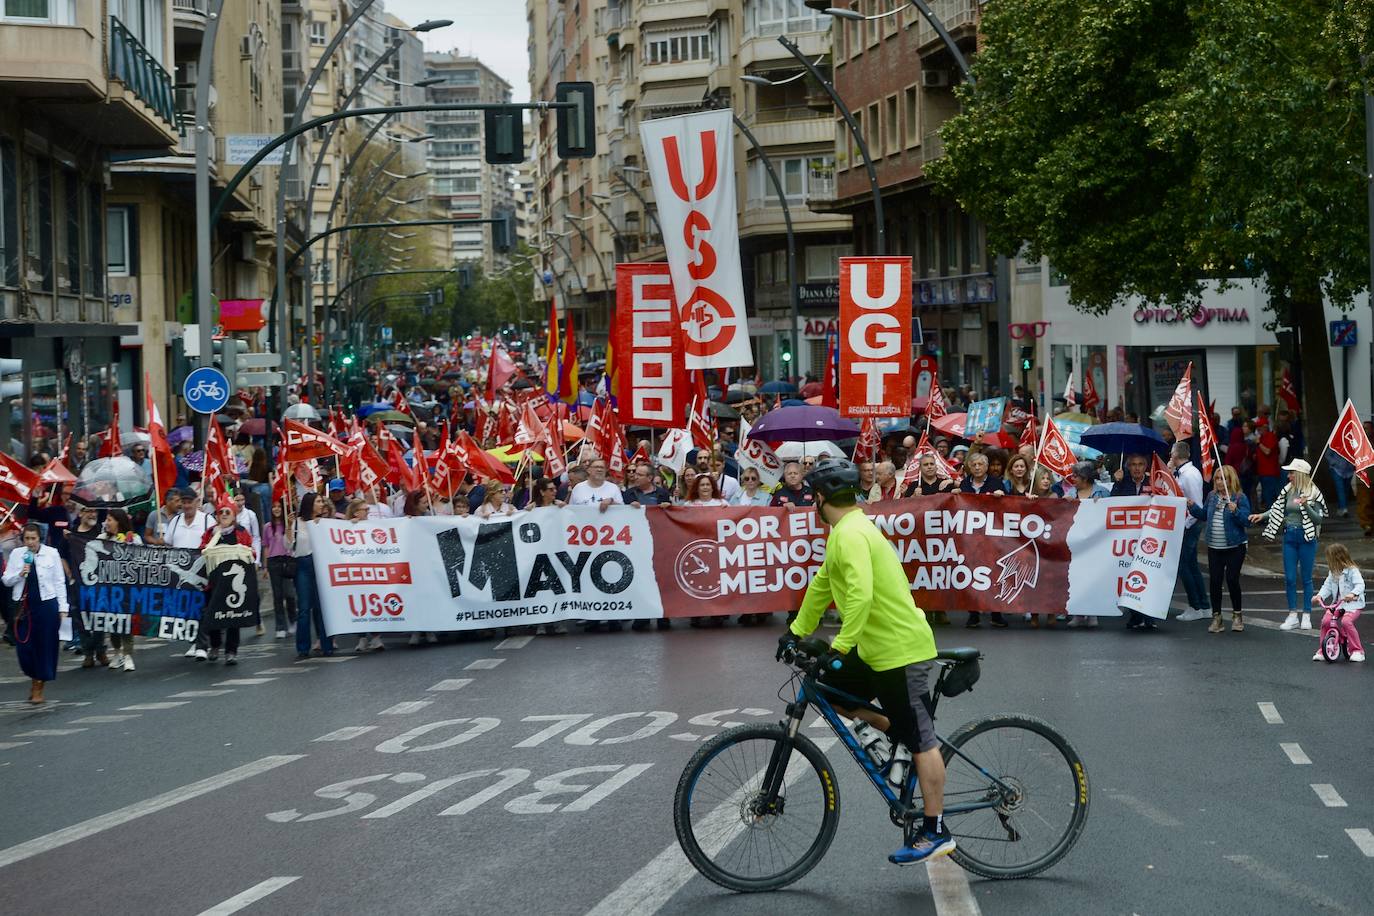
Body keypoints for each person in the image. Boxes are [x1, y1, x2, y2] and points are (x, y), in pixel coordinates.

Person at [776, 458, 951, 865]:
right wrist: (796, 632)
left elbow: (861, 596)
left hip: (900, 651)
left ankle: (936, 830)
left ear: (818, 498)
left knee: (924, 742)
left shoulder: (852, 534)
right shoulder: (848, 530)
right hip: (875, 652)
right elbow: (822, 584)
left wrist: (839, 645)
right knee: (826, 692)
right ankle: (897, 736)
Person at [1251, 458, 1326, 631]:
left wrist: (1306, 505)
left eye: (1292, 472)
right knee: (1290, 578)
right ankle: (1293, 615)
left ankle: (1306, 615)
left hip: (1307, 538)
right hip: (1290, 536)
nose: (1288, 475)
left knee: (1306, 578)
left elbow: (1318, 519)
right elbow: (1277, 509)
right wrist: (1262, 516)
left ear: (1299, 474)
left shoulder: (1313, 492)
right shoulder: (1287, 490)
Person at [3, 524, 70, 703]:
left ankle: (38, 685)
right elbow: (6, 580)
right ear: (23, 539)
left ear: (39, 538)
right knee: (24, 648)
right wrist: (20, 573)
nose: (31, 542)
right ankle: (33, 675)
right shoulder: (18, 555)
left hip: (47, 604)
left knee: (44, 645)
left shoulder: (51, 553)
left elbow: (59, 581)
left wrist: (63, 608)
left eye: (34, 538)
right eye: (27, 539)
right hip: (23, 607)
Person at [1192, 465, 1251, 633]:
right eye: (1217, 478)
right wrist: (1192, 507)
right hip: (1214, 547)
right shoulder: (1211, 496)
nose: (1219, 482)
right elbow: (1204, 515)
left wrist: (1236, 511)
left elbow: (1247, 520)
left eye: (1223, 478)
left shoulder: (1239, 498)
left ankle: (1237, 615)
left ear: (1230, 480)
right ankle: (1217, 618)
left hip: (1235, 547)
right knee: (1215, 582)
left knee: (1232, 580)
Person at [199, 497, 255, 665]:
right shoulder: (210, 533)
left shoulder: (241, 532)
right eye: (220, 512)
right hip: (214, 583)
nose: (223, 515)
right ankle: (215, 645)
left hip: (233, 584)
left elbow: (250, 552)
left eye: (227, 512)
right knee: (213, 613)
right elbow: (202, 550)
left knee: (234, 617)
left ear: (234, 515)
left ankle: (231, 651)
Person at [1170, 442, 1213, 624]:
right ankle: (1203, 606)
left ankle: (1195, 606)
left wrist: (1186, 526)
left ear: (1176, 454)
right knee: (1192, 566)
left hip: (1190, 524)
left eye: (1171, 452)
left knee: (1185, 567)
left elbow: (1197, 505)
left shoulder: (1190, 475)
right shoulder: (1182, 472)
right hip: (1187, 524)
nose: (1170, 455)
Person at [292, 492, 335, 659]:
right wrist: (289, 529)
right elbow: (289, 546)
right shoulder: (297, 523)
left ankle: (327, 645)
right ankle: (303, 647)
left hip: (320, 565)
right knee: (304, 608)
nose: (321, 504)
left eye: (322, 501)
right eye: (318, 501)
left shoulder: (325, 523)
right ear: (310, 504)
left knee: (322, 607)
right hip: (302, 565)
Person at [99, 509, 142, 672]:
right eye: (106, 520)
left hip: (127, 587)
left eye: (110, 519)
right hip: (108, 588)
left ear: (119, 521)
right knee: (112, 622)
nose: (107, 523)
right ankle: (117, 652)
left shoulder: (134, 538)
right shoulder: (102, 538)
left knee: (126, 621)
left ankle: (128, 654)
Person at [1311, 544, 1365, 662]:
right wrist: (1319, 596)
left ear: (1338, 558)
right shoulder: (1333, 572)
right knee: (1326, 621)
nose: (1328, 561)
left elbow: (1360, 585)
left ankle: (1357, 650)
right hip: (1338, 604)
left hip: (1353, 604)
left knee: (1346, 622)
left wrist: (1353, 594)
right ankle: (1322, 649)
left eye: (1329, 559)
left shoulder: (1352, 571)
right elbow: (1327, 586)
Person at [262, 499, 297, 640]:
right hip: (273, 562)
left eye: (279, 507)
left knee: (289, 594)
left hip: (287, 560)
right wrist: (265, 566)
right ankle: (280, 627)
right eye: (274, 507)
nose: (276, 509)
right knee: (277, 596)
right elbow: (265, 546)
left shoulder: (288, 525)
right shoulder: (267, 527)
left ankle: (293, 621)